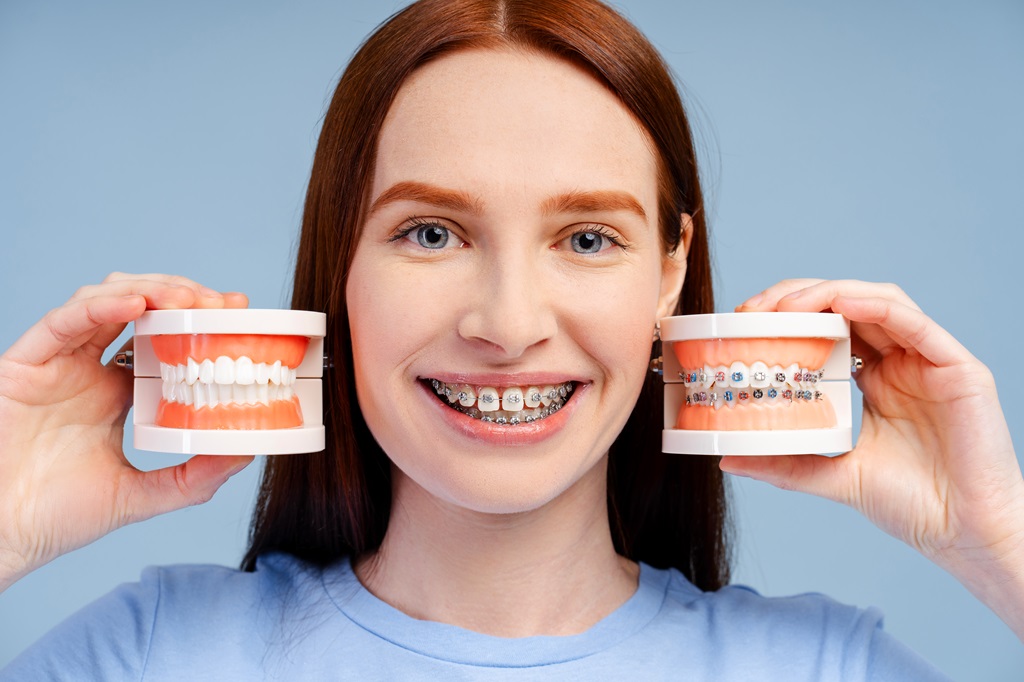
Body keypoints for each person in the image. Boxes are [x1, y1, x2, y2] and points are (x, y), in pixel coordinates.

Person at [1, 0, 1021, 678]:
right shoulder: (147, 657)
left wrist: (994, 545)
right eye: (430, 232)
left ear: (669, 270)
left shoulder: (824, 670)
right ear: (339, 266)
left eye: (586, 237)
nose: (508, 324)